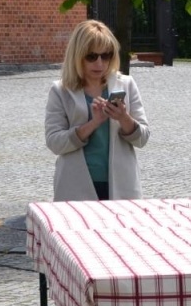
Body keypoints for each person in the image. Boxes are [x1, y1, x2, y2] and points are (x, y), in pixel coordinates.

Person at [45, 20, 150, 201]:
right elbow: (55, 143)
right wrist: (93, 124)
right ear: (77, 56)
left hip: (121, 184)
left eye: (106, 56)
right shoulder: (60, 90)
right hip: (74, 185)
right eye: (91, 56)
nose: (100, 63)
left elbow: (143, 138)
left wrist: (124, 118)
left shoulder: (126, 84)